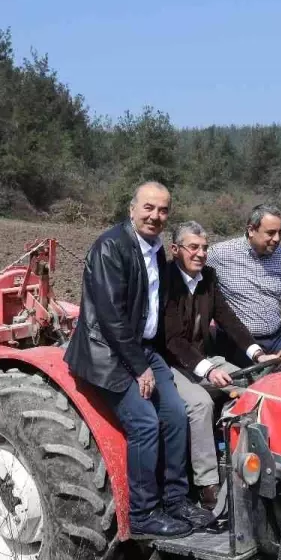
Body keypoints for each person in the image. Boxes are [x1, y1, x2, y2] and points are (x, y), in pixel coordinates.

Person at [63, 181, 214, 539]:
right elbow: (111, 316)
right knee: (145, 423)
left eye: (163, 210)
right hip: (108, 353)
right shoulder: (110, 248)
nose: (155, 216)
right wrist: (140, 366)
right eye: (149, 208)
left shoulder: (156, 249)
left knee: (177, 414)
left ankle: (175, 499)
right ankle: (144, 513)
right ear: (132, 209)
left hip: (142, 349)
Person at [162, 221, 277, 510]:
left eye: (204, 248)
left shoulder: (208, 278)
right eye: (193, 248)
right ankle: (207, 485)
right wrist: (210, 371)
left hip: (201, 359)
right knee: (200, 403)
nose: (201, 254)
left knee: (254, 384)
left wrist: (256, 354)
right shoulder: (165, 280)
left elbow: (227, 318)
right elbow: (172, 340)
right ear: (176, 250)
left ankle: (253, 462)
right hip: (171, 363)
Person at [206, 204, 281, 368]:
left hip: (276, 340)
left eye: (280, 232)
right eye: (270, 233)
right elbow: (190, 279)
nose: (276, 238)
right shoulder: (220, 254)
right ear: (251, 230)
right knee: (250, 390)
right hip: (236, 343)